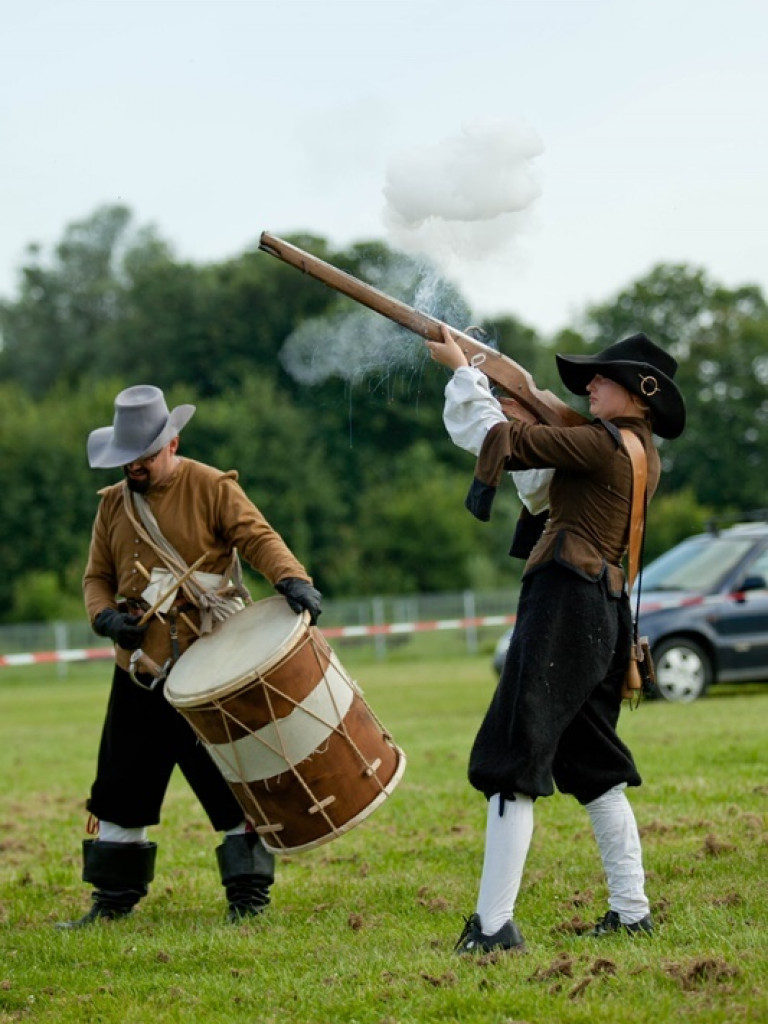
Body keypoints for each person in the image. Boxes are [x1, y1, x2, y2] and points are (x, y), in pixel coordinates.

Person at [425, 326, 685, 954]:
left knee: (512, 760)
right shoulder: (633, 450)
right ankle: (631, 911)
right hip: (601, 606)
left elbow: (498, 444)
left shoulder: (602, 444)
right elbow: (542, 484)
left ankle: (492, 929)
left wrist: (462, 372)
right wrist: (513, 398)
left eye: (603, 376)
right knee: (595, 766)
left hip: (566, 600)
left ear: (640, 393)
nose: (590, 382)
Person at [58, 384, 322, 929]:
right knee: (120, 786)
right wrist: (105, 617)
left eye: (146, 456)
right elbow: (96, 578)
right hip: (137, 670)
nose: (135, 465)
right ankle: (112, 901)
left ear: (172, 443)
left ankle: (247, 898)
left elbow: (258, 538)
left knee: (230, 784)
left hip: (210, 668)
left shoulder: (211, 486)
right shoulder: (112, 504)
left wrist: (293, 579)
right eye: (128, 457)